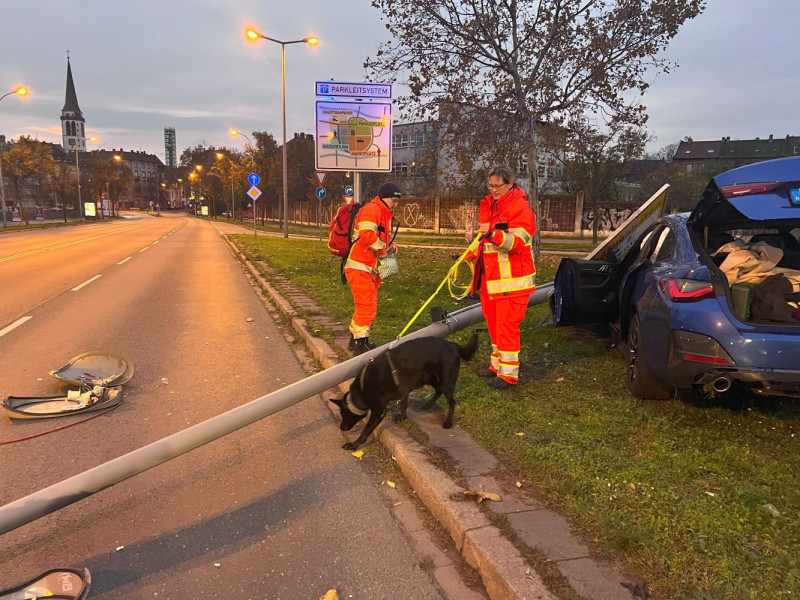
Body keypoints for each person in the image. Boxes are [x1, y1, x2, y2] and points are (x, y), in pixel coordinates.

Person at [465, 165, 536, 389]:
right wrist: (471, 253)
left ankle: (508, 375)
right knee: (494, 325)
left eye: (498, 186)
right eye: (491, 185)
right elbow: (486, 243)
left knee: (506, 326)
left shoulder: (519, 207)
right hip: (492, 280)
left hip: (512, 282)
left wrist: (492, 233)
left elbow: (517, 243)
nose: (493, 190)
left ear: (510, 184)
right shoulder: (491, 204)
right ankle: (496, 366)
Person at [344, 182, 403, 354]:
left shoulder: (380, 211)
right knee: (367, 307)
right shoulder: (373, 209)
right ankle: (360, 346)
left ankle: (354, 340)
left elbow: (377, 235)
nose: (396, 204)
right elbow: (367, 235)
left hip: (365, 268)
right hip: (361, 267)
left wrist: (390, 244)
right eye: (394, 200)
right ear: (385, 198)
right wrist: (382, 251)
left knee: (363, 305)